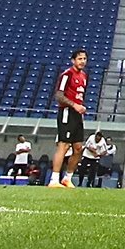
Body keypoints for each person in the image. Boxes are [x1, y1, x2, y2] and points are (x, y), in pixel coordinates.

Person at [48, 48, 88, 187]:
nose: (82, 61)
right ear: (73, 60)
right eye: (79, 59)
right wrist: (74, 105)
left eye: (84, 59)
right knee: (64, 145)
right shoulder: (67, 75)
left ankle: (67, 178)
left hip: (77, 115)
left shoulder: (84, 76)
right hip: (66, 112)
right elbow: (58, 95)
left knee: (78, 148)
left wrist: (80, 107)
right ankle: (54, 179)